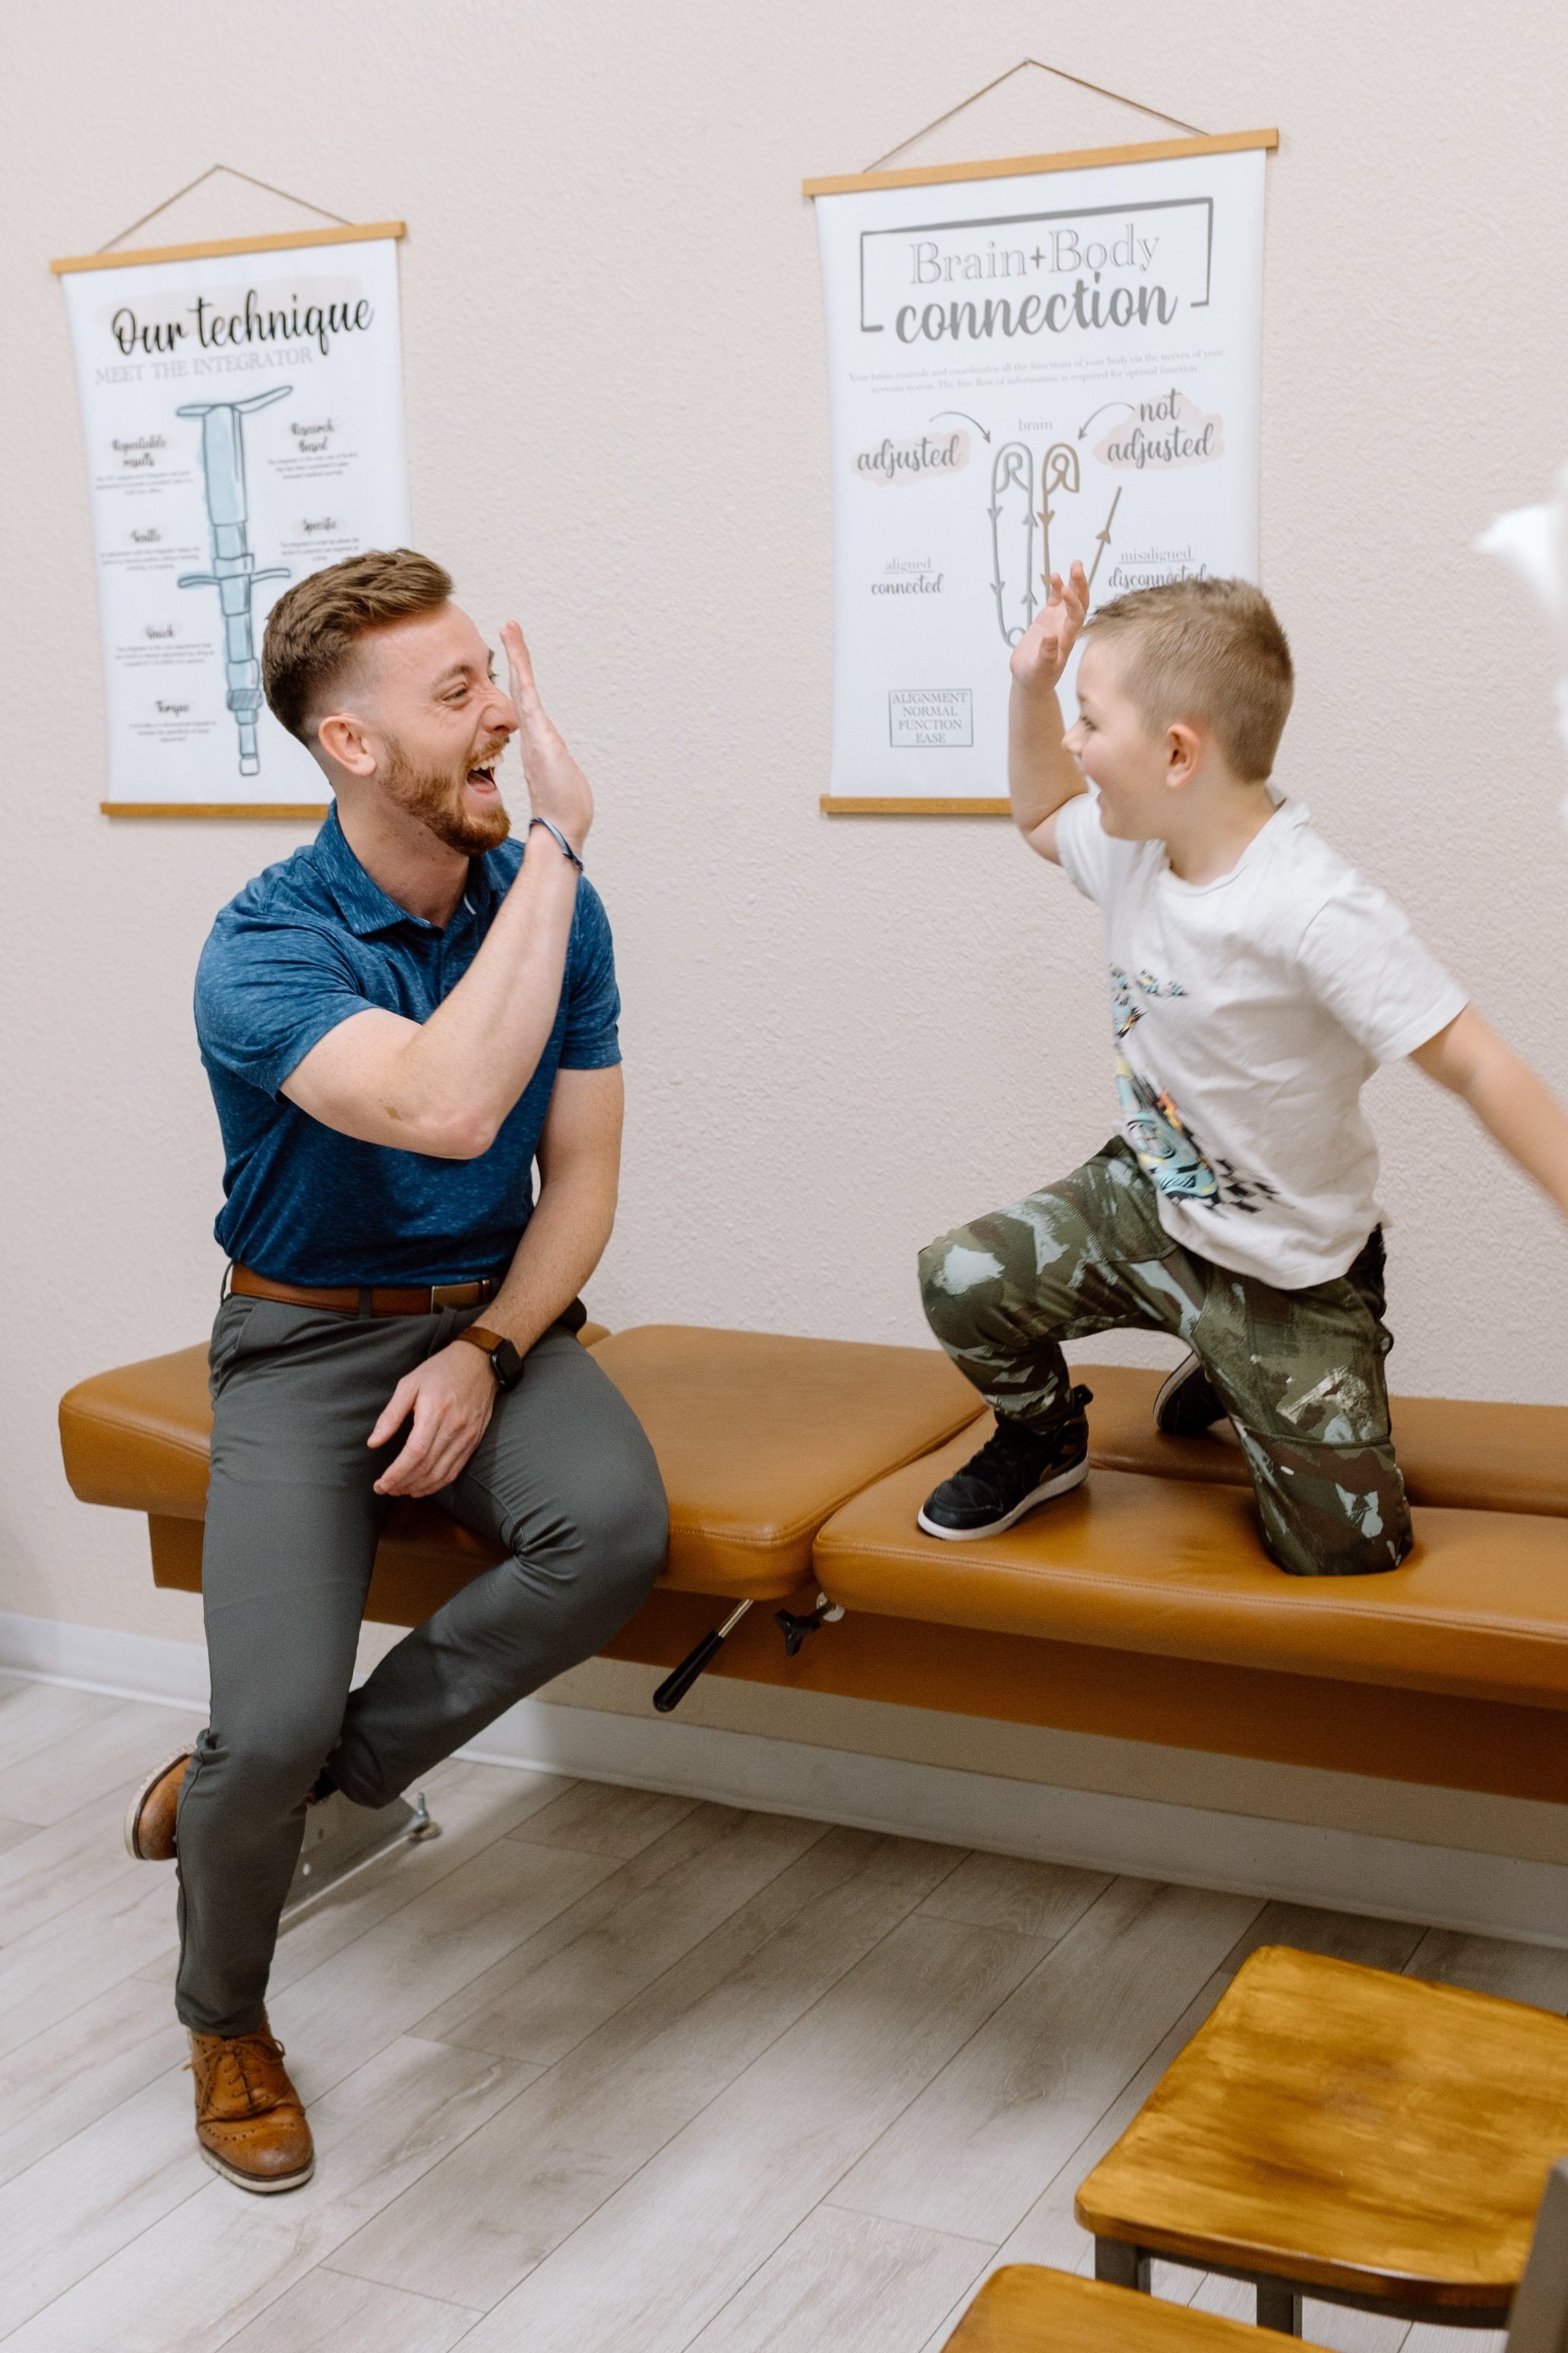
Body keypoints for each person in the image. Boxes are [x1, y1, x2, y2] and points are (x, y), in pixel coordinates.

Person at [122, 549, 669, 2193]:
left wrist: (494, 1350)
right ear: (352, 745)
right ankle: (225, 2012)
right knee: (264, 1715)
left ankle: (316, 1779)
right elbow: (440, 1102)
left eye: (493, 676)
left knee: (613, 1533)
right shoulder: (263, 949)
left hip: (487, 1311)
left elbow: (576, 1176)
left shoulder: (545, 903)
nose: (504, 711)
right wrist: (564, 842)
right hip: (299, 1337)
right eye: (458, 692)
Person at [918, 564, 1568, 1567]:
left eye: (1090, 722)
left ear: (1179, 751)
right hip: (1154, 1206)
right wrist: (1032, 686)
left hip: (1291, 1278)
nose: (1075, 745)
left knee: (1347, 1554)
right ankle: (1046, 1439)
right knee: (957, 1277)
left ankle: (1235, 1362)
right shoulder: (1138, 842)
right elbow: (1043, 818)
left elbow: (1478, 1062)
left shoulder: (1313, 908)